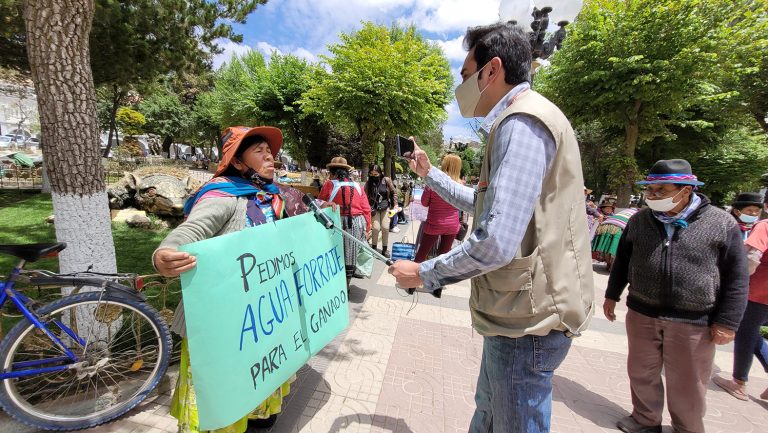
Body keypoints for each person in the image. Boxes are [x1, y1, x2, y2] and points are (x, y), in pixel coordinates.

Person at [388, 22, 594, 433]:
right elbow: (490, 208)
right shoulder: (523, 120)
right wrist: (430, 175)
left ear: (492, 70)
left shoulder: (521, 124)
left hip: (528, 320)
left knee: (510, 420)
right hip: (520, 315)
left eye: (465, 75)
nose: (460, 86)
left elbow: (496, 240)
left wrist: (423, 274)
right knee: (490, 411)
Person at [153, 126, 322, 433]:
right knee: (221, 398)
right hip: (225, 325)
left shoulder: (272, 196)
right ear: (240, 163)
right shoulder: (224, 196)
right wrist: (165, 253)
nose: (269, 155)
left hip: (263, 318)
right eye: (259, 151)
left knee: (258, 392)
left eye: (270, 151)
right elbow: (190, 232)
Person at [603, 159, 749, 433]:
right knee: (641, 372)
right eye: (650, 190)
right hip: (642, 311)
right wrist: (612, 295)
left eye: (661, 191)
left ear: (686, 190)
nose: (653, 197)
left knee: (688, 381)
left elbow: (737, 277)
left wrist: (728, 322)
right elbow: (623, 260)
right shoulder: (640, 220)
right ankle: (645, 420)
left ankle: (687, 428)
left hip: (694, 320)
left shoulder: (721, 222)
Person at [712, 191, 768, 401]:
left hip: (758, 291)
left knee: (746, 332)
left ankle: (738, 382)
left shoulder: (764, 226)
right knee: (752, 332)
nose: (754, 213)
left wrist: (736, 280)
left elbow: (752, 259)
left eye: (758, 209)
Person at [318, 156, 371, 282]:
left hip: (335, 221)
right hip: (356, 222)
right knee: (350, 255)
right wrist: (367, 227)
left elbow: (320, 202)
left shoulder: (329, 184)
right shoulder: (358, 186)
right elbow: (366, 209)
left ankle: (335, 282)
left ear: (333, 173)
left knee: (334, 252)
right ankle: (346, 285)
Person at [414, 154, 462, 263]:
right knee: (443, 256)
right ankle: (436, 278)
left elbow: (424, 203)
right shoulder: (460, 185)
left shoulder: (433, 182)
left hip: (435, 223)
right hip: (452, 225)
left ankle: (414, 276)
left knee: (422, 253)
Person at [365, 164, 396, 258]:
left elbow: (393, 192)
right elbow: (364, 196)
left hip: (385, 207)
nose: (374, 176)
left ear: (380, 173)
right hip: (374, 208)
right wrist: (367, 207)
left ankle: (385, 249)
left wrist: (396, 204)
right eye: (372, 174)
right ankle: (373, 248)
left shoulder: (386, 180)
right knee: (375, 228)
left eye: (376, 174)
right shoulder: (368, 183)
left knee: (385, 227)